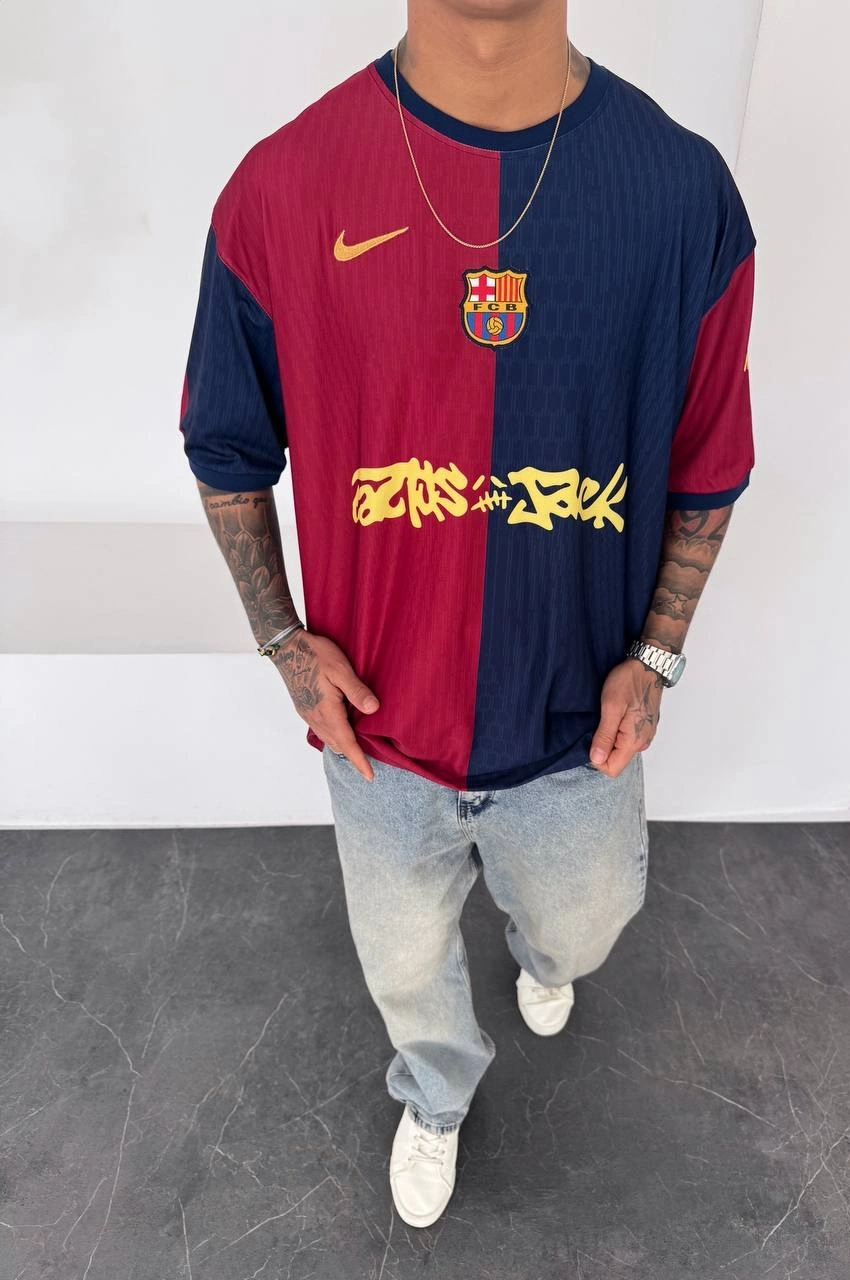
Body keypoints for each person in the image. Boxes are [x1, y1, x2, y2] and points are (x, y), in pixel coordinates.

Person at [179, 0, 756, 1229]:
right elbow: (226, 445)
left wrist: (658, 653)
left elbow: (709, 458)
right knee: (405, 967)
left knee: (586, 927)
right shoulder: (284, 188)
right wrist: (284, 643)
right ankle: (436, 1091)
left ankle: (545, 954)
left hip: (579, 726)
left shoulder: (680, 191)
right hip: (380, 735)